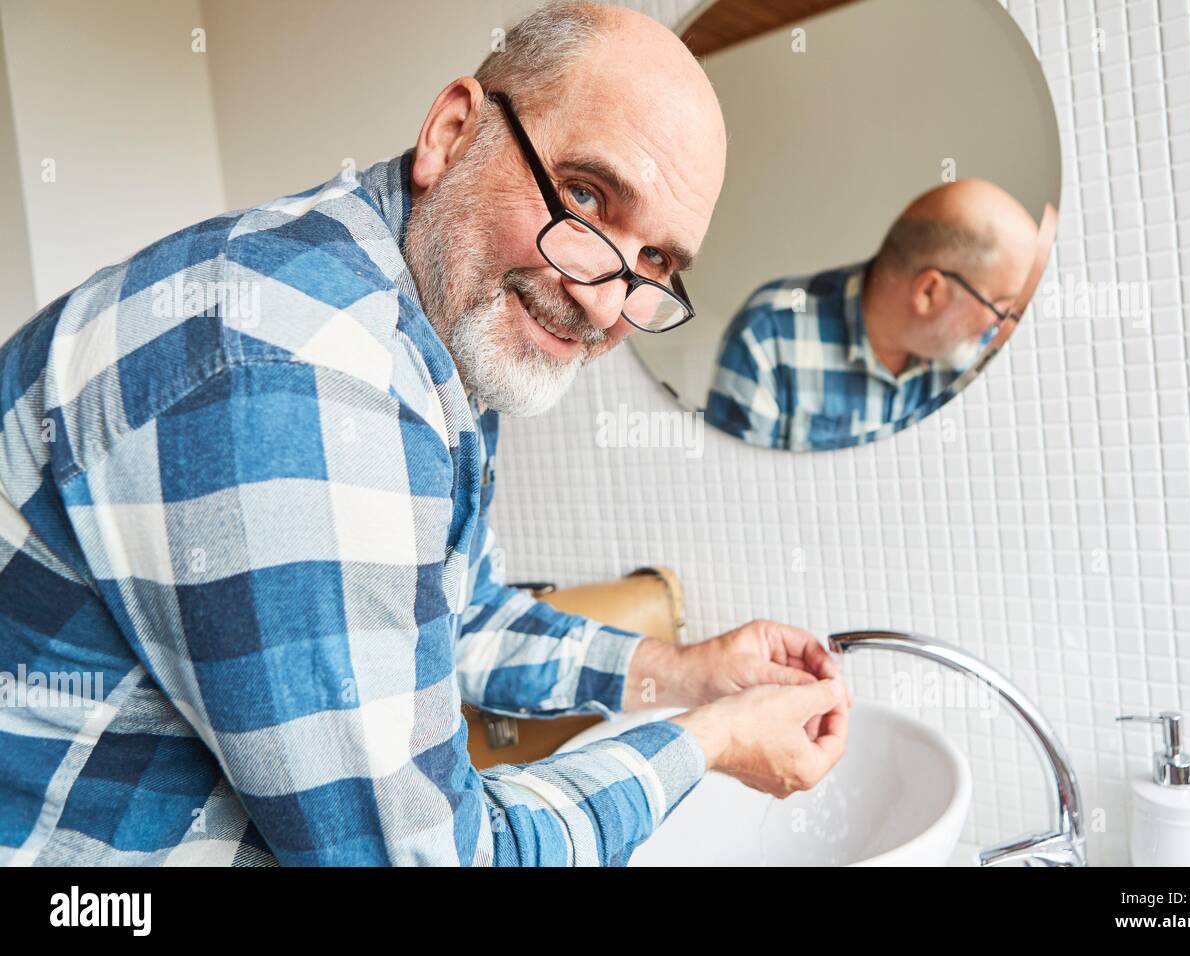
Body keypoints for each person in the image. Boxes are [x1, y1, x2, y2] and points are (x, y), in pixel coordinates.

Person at [0, 2, 849, 867]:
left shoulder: (434, 322)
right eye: (587, 196)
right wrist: (708, 741)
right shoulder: (305, 372)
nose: (603, 299)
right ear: (453, 132)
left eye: (657, 262)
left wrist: (687, 673)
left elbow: (455, 615)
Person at [706, 179, 1040, 451]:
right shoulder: (769, 335)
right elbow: (739, 498)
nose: (1003, 327)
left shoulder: (979, 356)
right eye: (1003, 306)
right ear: (929, 293)